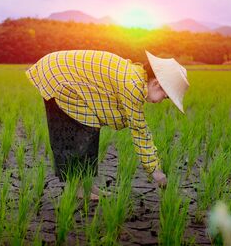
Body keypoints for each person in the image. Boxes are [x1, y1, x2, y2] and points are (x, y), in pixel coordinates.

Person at [25, 50, 189, 200]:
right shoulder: (132, 84)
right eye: (165, 97)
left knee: (91, 126)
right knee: (79, 131)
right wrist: (157, 172)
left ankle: (86, 185)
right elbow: (139, 130)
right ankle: (76, 189)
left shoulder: (136, 77)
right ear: (155, 84)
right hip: (58, 76)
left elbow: (112, 109)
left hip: (64, 75)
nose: (161, 101)